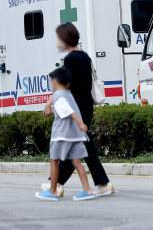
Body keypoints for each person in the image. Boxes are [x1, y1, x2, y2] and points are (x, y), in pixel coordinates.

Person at [41, 22, 115, 197]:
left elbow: (64, 86)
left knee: (73, 145)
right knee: (83, 145)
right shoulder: (85, 56)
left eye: (59, 37)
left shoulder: (70, 59)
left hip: (76, 109)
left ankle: (57, 185)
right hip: (86, 106)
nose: (57, 41)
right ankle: (102, 183)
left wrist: (49, 103)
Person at [36, 68, 95, 201]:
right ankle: (87, 190)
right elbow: (55, 111)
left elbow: (68, 111)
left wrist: (80, 123)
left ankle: (53, 191)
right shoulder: (67, 94)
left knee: (54, 161)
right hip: (75, 134)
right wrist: (49, 106)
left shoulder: (58, 95)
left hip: (62, 134)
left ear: (56, 81)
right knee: (76, 161)